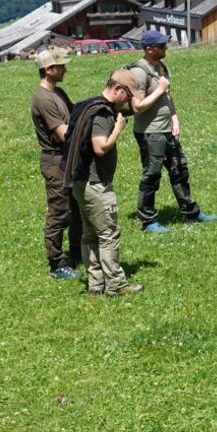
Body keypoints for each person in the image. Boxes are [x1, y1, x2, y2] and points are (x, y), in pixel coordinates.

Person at [65, 69, 144, 297]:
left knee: (89, 234)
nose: (128, 101)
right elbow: (100, 147)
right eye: (127, 95)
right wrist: (118, 129)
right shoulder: (102, 114)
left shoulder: (88, 105)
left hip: (80, 180)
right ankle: (116, 285)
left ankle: (96, 283)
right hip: (96, 184)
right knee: (108, 234)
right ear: (117, 89)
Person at [129, 30, 216, 233]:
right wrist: (159, 89)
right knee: (152, 175)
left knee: (180, 170)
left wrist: (174, 119)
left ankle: (191, 212)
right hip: (150, 132)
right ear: (149, 49)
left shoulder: (161, 67)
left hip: (167, 129)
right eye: (161, 46)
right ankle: (148, 220)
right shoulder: (139, 73)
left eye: (165, 45)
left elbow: (168, 96)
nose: (165, 48)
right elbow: (137, 107)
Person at [31, 46, 82, 279]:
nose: (66, 69)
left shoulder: (58, 93)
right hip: (55, 161)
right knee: (59, 213)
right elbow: (64, 134)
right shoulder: (43, 99)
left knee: (76, 210)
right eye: (61, 66)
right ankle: (57, 263)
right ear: (49, 69)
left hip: (66, 158)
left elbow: (75, 116)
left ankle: (77, 253)